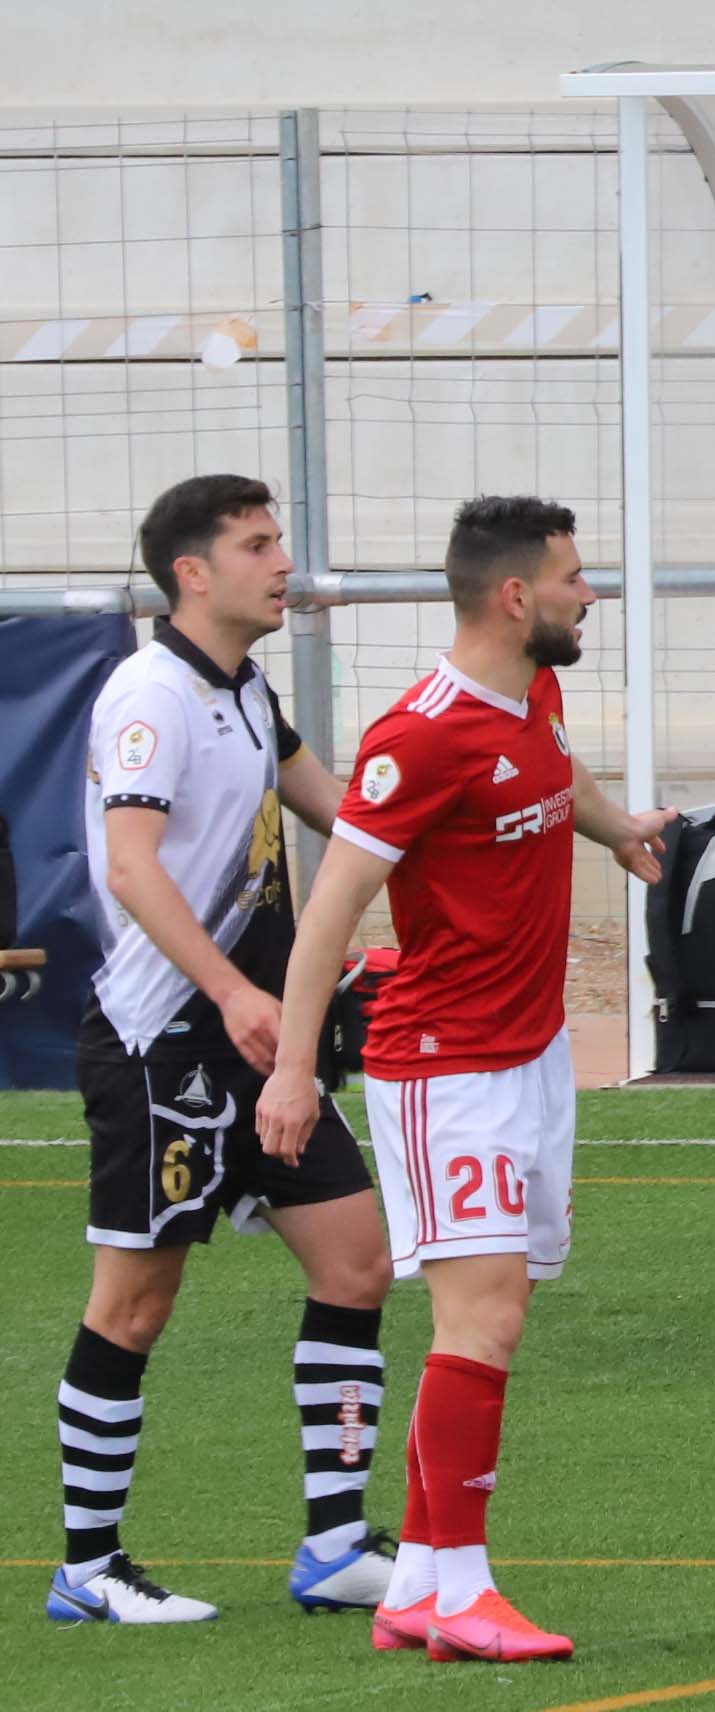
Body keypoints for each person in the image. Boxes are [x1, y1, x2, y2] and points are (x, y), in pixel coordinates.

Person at [262, 496, 670, 1662]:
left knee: (498, 1313)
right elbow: (331, 905)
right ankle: (464, 1591)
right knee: (475, 1320)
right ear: (514, 596)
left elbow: (557, 775)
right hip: (450, 1072)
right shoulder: (419, 738)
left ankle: (423, 1589)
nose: (588, 592)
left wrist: (617, 829)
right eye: (574, 576)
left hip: (534, 1053)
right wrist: (297, 1070)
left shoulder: (532, 692)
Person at [47, 476, 395, 1628]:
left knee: (356, 1261)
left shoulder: (246, 687)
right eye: (258, 544)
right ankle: (89, 1567)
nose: (283, 560)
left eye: (278, 538)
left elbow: (341, 815)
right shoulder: (148, 693)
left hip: (258, 1040)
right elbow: (133, 866)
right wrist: (235, 987)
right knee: (134, 1305)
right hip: (166, 1044)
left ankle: (337, 1545)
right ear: (193, 572)